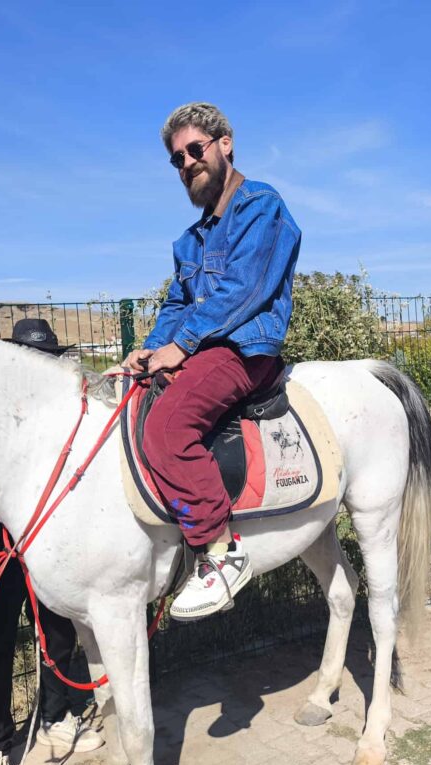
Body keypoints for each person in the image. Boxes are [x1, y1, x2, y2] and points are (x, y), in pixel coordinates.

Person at [122, 103, 302, 622]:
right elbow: (176, 305)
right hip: (205, 349)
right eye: (177, 159)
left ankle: (221, 552)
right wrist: (150, 351)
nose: (187, 163)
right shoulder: (190, 241)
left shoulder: (261, 207)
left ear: (225, 144)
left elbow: (245, 289)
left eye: (194, 150)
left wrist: (181, 346)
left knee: (166, 429)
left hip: (245, 349)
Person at [0, 319, 103, 765]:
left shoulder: (65, 409)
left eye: (45, 358)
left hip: (50, 538)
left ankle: (56, 716)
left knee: (57, 631)